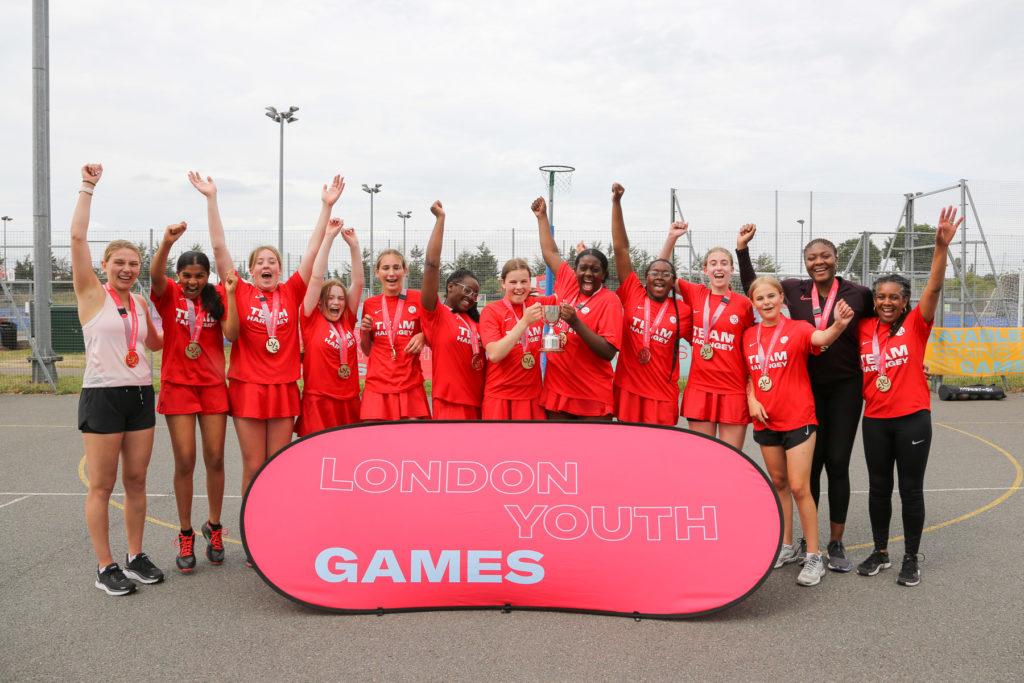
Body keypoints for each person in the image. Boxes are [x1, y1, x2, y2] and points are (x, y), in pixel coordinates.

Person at [736, 224, 874, 572]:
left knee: (838, 463)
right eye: (812, 257)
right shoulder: (793, 290)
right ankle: (796, 541)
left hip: (844, 386)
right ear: (805, 263)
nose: (819, 262)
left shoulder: (859, 293)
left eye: (825, 256)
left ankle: (835, 543)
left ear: (836, 258)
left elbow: (880, 326)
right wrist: (742, 251)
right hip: (803, 383)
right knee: (803, 475)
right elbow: (756, 287)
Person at [192, 170, 337, 498]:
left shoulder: (291, 291)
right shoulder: (240, 290)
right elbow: (218, 247)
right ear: (251, 269)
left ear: (281, 269)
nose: (267, 266)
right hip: (249, 387)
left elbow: (312, 254)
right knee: (254, 464)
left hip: (283, 387)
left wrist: (325, 208)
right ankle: (250, 532)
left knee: (277, 463)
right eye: (260, 262)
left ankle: (277, 529)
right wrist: (212, 199)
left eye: (272, 261)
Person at [71, 163, 166, 595]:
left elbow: (156, 344)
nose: (127, 269)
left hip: (141, 394)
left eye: (134, 264)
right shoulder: (92, 294)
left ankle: (134, 554)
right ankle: (105, 565)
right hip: (103, 395)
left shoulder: (142, 303)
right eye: (119, 263)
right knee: (103, 484)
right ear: (105, 265)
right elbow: (76, 239)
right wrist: (88, 187)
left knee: (137, 481)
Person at [856, 207, 962, 587]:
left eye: (894, 298)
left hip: (912, 418)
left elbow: (933, 288)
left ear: (905, 302)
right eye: (881, 297)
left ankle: (911, 557)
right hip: (875, 420)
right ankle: (881, 551)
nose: (886, 302)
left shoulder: (917, 324)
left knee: (910, 490)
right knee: (878, 488)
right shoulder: (862, 327)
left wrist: (940, 248)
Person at [745, 276, 854, 586]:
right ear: (753, 304)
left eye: (771, 296)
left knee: (798, 486)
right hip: (766, 422)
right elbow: (750, 376)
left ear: (782, 298)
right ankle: (788, 546)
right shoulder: (748, 337)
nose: (766, 303)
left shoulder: (798, 329)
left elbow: (821, 339)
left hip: (798, 419)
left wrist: (839, 325)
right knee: (778, 483)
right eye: (760, 299)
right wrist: (752, 399)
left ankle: (814, 557)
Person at [150, 223, 230, 572]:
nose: (192, 281)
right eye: (186, 275)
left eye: (199, 275)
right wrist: (167, 243)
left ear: (207, 275)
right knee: (185, 460)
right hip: (179, 385)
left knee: (215, 458)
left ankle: (213, 525)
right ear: (178, 275)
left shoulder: (217, 296)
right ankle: (185, 533)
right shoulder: (168, 293)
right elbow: (154, 273)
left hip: (212, 386)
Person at [659, 222, 754, 449]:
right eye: (713, 263)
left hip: (732, 390)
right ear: (705, 270)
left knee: (731, 460)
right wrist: (672, 237)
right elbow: (661, 272)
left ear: (732, 269)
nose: (718, 268)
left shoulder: (744, 304)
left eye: (724, 263)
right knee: (704, 459)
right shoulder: (696, 293)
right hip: (700, 388)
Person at [609, 183, 692, 425]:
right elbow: (621, 249)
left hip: (662, 395)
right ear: (645, 278)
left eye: (666, 274)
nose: (659, 276)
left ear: (673, 282)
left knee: (658, 456)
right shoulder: (633, 293)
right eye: (654, 272)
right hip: (629, 389)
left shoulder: (683, 311)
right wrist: (616, 203)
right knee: (626, 452)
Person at [533, 197, 623, 420]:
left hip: (591, 396)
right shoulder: (568, 282)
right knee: (557, 453)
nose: (588, 274)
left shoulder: (609, 301)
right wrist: (542, 218)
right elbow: (550, 253)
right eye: (583, 268)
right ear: (575, 270)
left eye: (595, 270)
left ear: (604, 274)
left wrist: (576, 323)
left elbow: (607, 352)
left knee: (592, 454)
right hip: (558, 392)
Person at [295, 217, 364, 436]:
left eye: (340, 298)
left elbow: (359, 282)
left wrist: (354, 247)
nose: (336, 303)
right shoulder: (310, 319)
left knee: (347, 458)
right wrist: (329, 237)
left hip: (349, 400)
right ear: (320, 301)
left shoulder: (347, 319)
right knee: (317, 460)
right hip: (319, 401)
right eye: (331, 298)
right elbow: (316, 276)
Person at [420, 201, 485, 419]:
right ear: (450, 287)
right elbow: (431, 265)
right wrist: (440, 220)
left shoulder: (477, 322)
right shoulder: (437, 314)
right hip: (450, 403)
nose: (471, 297)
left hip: (480, 402)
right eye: (467, 290)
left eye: (475, 294)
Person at [479, 259, 554, 419]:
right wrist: (524, 322)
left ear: (530, 283)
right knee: (499, 444)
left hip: (532, 396)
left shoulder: (537, 304)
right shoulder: (491, 311)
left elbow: (569, 291)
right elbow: (494, 354)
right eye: (513, 282)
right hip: (500, 396)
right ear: (503, 283)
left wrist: (583, 255)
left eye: (524, 282)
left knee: (531, 444)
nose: (519, 287)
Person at [359, 250, 429, 421]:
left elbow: (435, 331)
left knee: (411, 442)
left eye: (397, 267)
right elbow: (367, 350)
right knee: (377, 443)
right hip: (377, 385)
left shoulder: (418, 298)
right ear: (377, 272)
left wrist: (423, 336)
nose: (391, 273)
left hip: (409, 384)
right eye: (385, 268)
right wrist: (365, 332)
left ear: (405, 270)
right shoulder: (369, 304)